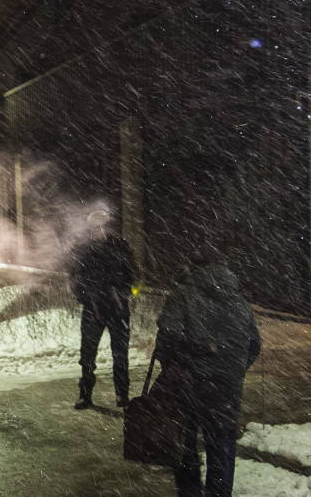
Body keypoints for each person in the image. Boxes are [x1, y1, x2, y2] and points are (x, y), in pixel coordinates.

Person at [155, 245, 261, 496]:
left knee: (184, 441)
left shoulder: (182, 294)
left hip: (188, 382)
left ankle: (190, 491)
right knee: (222, 444)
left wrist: (175, 363)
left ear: (194, 267)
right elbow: (254, 343)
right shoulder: (238, 299)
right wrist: (232, 368)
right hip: (225, 386)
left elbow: (168, 336)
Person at [68, 209, 140, 410]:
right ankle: (85, 395)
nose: (99, 231)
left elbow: (135, 275)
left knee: (120, 354)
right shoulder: (83, 250)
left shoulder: (120, 247)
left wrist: (126, 292)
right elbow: (74, 277)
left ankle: (122, 395)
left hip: (118, 308)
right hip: (93, 309)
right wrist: (84, 296)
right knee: (87, 355)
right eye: (95, 227)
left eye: (102, 226)